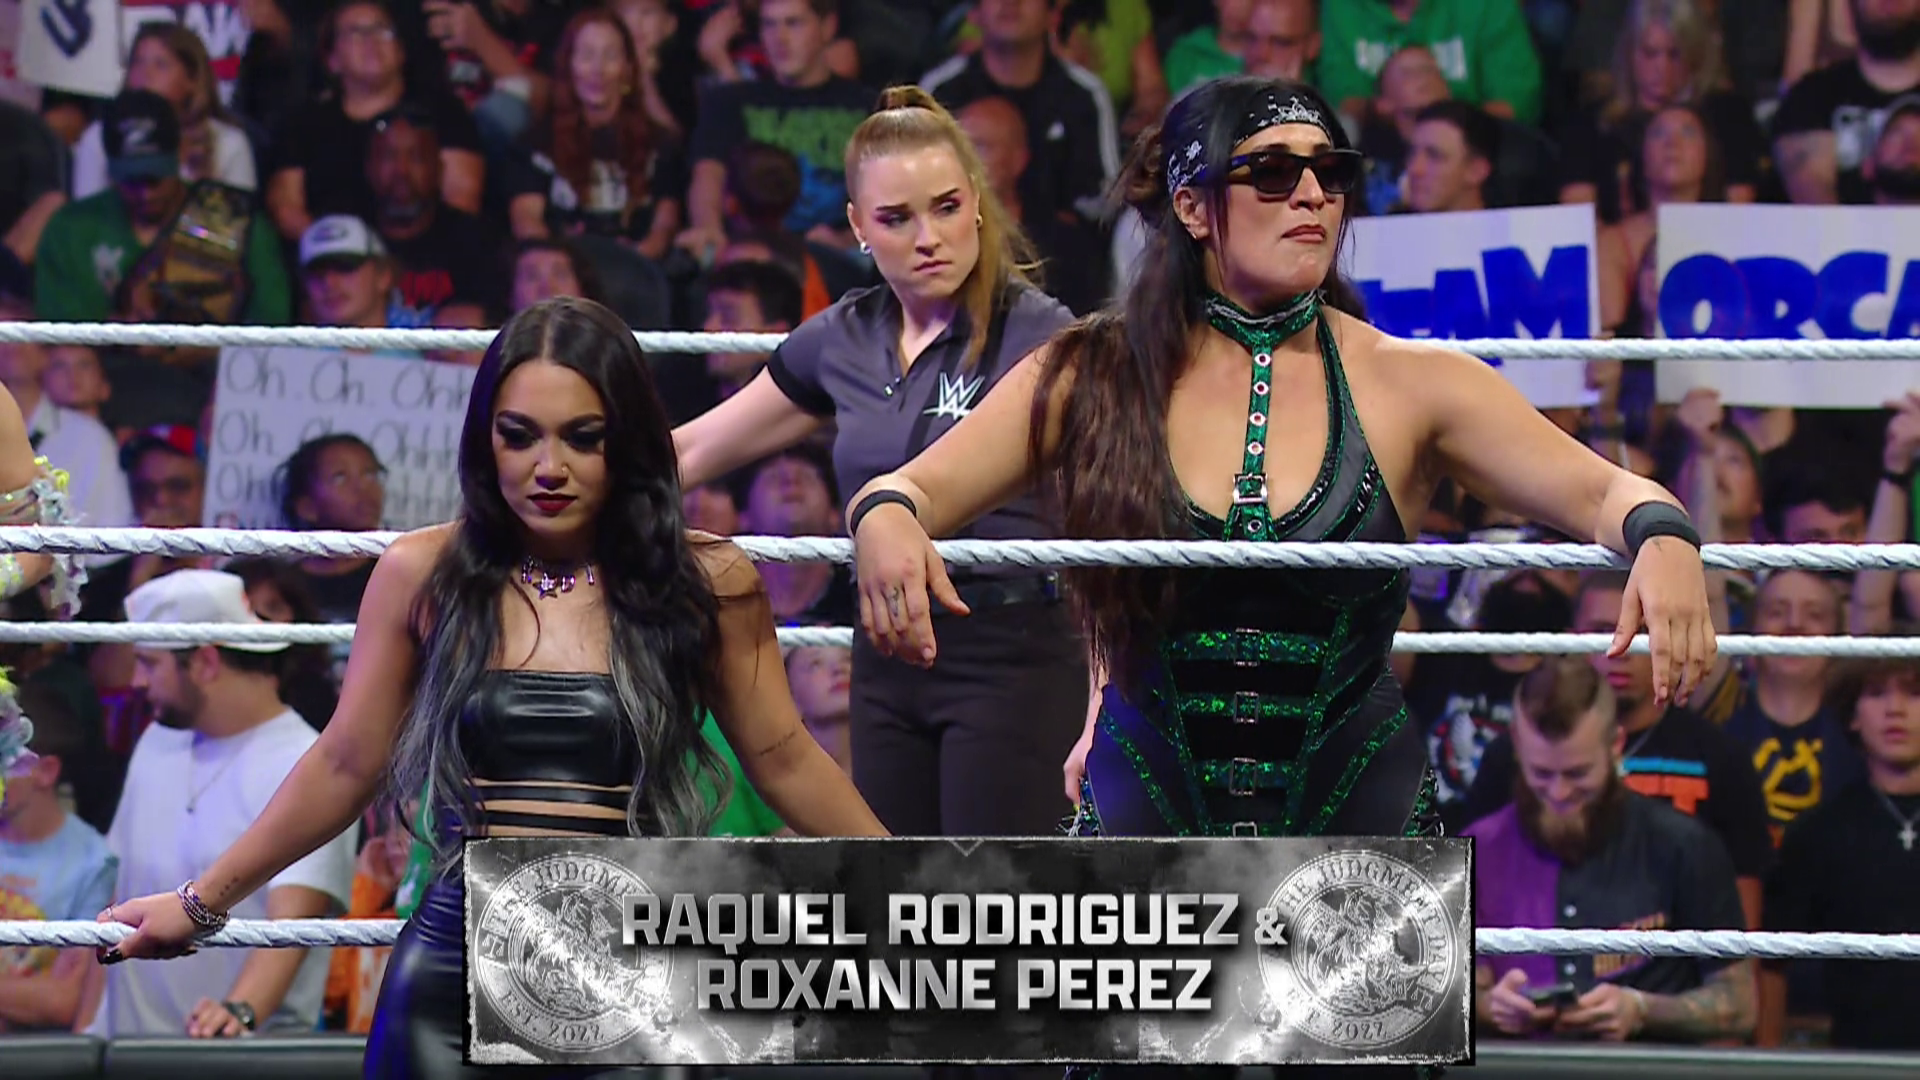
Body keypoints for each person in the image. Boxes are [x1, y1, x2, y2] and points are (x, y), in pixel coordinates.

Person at [847, 76, 1714, 862]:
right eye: (1270, 173)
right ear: (1192, 207)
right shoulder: (1091, 372)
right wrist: (883, 517)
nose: (1310, 195)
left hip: (1361, 851)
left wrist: (1664, 537)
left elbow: (1609, 491)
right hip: (1146, 838)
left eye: (1329, 173)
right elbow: (911, 488)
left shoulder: (1414, 382)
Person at [95, 296, 887, 1078]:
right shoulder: (422, 573)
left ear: (629, 442)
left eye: (583, 438)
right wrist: (200, 903)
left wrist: (915, 895)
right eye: (519, 435)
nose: (549, 467)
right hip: (455, 973)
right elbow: (345, 763)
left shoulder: (707, 579)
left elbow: (785, 759)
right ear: (485, 440)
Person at [673, 87, 1090, 838]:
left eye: (946, 207)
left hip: (1013, 647)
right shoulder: (844, 337)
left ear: (977, 205)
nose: (929, 237)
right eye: (897, 219)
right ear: (859, 227)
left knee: (993, 896)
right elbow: (694, 448)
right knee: (891, 888)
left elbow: (1106, 511)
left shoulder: (1039, 333)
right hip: (886, 651)